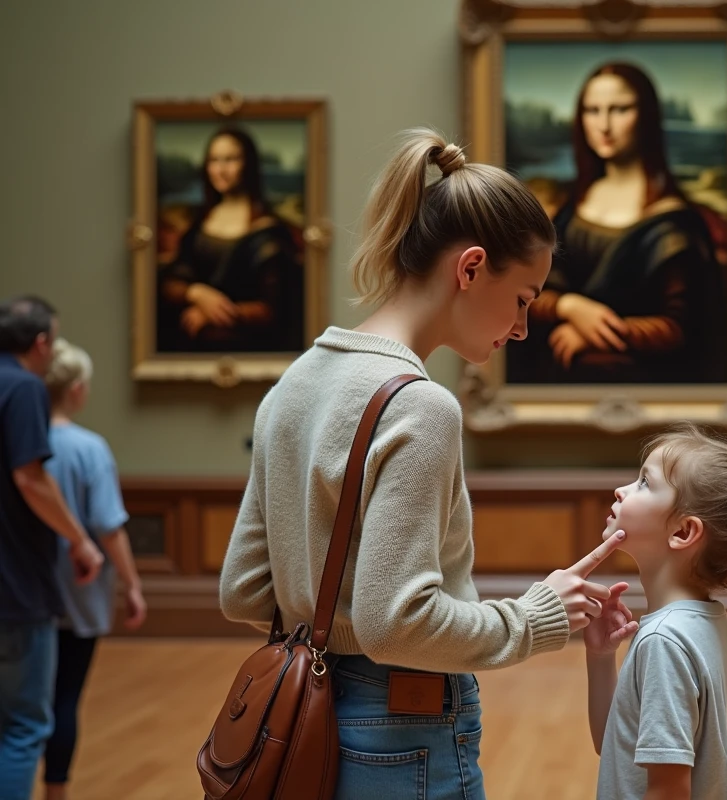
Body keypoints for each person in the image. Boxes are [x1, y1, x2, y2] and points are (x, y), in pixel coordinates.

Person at [218, 128, 626, 799]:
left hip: (298, 725)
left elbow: (242, 589)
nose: (523, 327)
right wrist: (534, 615)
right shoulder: (421, 407)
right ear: (469, 269)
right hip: (398, 737)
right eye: (523, 297)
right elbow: (394, 624)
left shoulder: (295, 383)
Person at [584, 422, 727, 799]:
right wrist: (600, 658)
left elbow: (668, 791)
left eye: (644, 483)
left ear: (683, 532)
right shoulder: (709, 626)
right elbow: (616, 746)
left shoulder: (664, 641)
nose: (621, 489)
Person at [506, 61, 727, 385]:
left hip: (642, 382)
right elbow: (526, 292)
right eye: (592, 111)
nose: (604, 125)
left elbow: (683, 329)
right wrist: (569, 307)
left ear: (647, 117)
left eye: (620, 109)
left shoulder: (674, 221)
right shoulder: (572, 205)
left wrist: (596, 333)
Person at [0, 296, 102, 800]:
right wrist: (80, 541)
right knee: (22, 725)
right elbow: (30, 477)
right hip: (13, 588)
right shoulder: (22, 388)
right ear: (41, 344)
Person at [40, 338, 147, 800]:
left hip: (21, 593)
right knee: (65, 697)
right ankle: (55, 793)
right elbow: (109, 527)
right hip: (77, 596)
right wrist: (133, 584)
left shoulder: (19, 443)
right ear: (78, 389)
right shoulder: (89, 449)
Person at [157, 126, 303, 353]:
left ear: (249, 164)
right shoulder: (199, 224)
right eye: (214, 160)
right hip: (193, 348)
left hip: (249, 346)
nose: (221, 169)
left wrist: (215, 312)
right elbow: (171, 282)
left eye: (231, 159)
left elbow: (275, 309)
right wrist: (196, 293)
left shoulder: (269, 232)